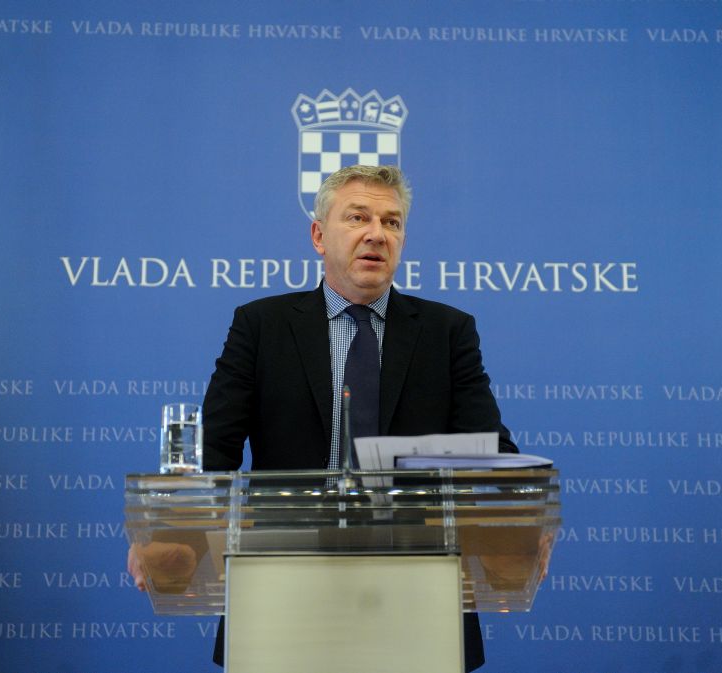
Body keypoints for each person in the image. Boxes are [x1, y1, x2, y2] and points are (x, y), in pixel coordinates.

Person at [129, 165, 518, 671]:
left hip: (416, 586)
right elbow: (214, 450)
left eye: (392, 222)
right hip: (282, 580)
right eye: (357, 217)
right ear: (318, 236)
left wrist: (518, 520)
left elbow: (489, 450)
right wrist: (168, 531)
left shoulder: (447, 332)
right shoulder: (261, 326)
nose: (376, 234)